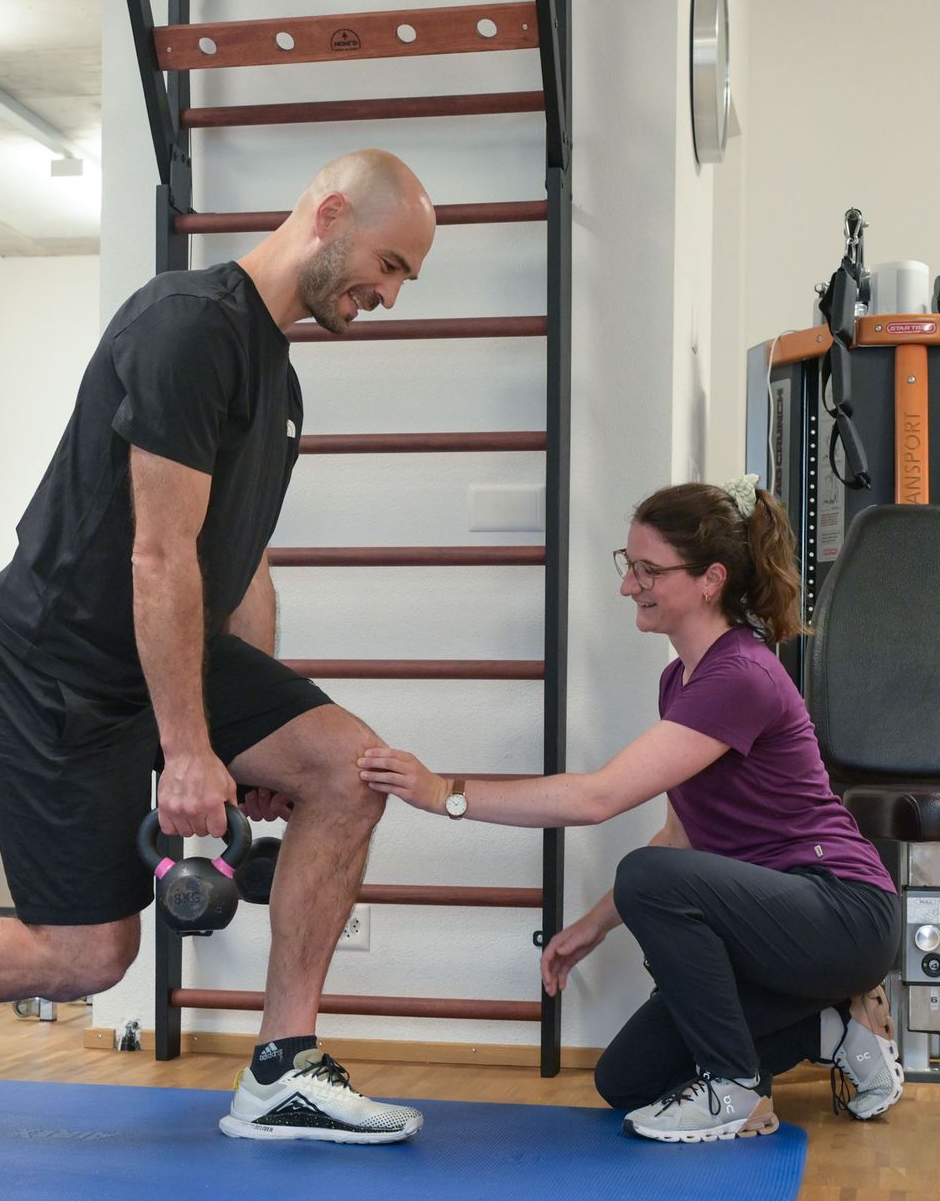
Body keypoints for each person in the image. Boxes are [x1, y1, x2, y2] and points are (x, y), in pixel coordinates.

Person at [0, 150, 439, 1144]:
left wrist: (245, 731)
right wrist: (191, 749)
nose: (393, 294)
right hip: (56, 661)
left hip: (158, 650)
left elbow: (241, 563)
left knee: (345, 771)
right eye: (393, 263)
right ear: (328, 215)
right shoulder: (189, 326)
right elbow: (158, 555)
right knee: (86, 955)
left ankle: (282, 1067)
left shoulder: (277, 375)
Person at [358, 476, 905, 1143]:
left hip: (841, 912)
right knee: (629, 1078)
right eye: (629, 567)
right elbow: (681, 835)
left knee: (647, 876)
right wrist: (594, 925)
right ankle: (835, 1027)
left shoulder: (741, 676)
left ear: (709, 580)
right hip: (783, 923)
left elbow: (598, 797)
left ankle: (734, 1089)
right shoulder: (681, 679)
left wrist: (445, 792)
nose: (629, 586)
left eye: (648, 570)